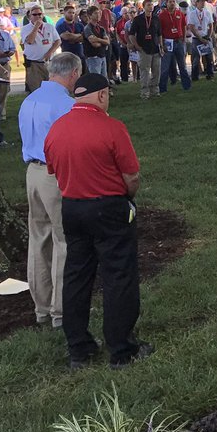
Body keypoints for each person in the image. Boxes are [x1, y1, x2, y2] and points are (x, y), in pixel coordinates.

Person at [45, 73, 151, 370]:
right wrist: (127, 197)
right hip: (108, 207)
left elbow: (54, 170)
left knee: (77, 275)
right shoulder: (112, 128)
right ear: (102, 95)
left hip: (72, 207)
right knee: (118, 275)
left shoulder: (56, 129)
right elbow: (131, 176)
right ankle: (121, 348)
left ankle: (79, 348)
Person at [17, 51, 81, 330]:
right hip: (55, 173)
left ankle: (41, 307)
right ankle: (62, 310)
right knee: (64, 240)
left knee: (39, 238)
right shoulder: (66, 105)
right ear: (74, 74)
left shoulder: (29, 100)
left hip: (32, 172)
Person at [20, 4, 60, 93]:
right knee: (36, 90)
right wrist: (36, 27)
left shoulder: (49, 26)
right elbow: (30, 41)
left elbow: (58, 41)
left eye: (40, 14)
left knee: (51, 90)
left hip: (49, 63)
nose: (38, 16)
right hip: (34, 64)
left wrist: (50, 52)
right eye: (35, 15)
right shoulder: (26, 29)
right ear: (29, 16)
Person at [157, 0, 191, 94]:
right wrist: (162, 43)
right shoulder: (162, 15)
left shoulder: (179, 13)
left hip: (179, 41)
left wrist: (183, 39)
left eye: (173, 1)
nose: (172, 3)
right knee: (165, 67)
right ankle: (162, 88)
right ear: (166, 3)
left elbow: (183, 26)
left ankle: (187, 86)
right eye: (170, 1)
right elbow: (160, 31)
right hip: (168, 42)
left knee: (182, 66)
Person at [129, 0, 162, 100]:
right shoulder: (138, 19)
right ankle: (145, 93)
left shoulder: (156, 18)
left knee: (156, 71)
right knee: (145, 71)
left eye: (152, 5)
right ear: (143, 7)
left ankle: (155, 91)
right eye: (148, 5)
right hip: (144, 49)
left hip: (155, 48)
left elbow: (159, 34)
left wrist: (161, 46)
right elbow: (131, 34)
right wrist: (137, 46)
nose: (151, 7)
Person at [186, 0, 216, 81]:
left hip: (206, 37)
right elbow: (191, 27)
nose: (203, 3)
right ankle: (195, 76)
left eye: (204, 1)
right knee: (196, 59)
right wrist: (200, 38)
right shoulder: (192, 14)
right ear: (196, 3)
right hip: (196, 38)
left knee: (209, 58)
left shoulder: (207, 12)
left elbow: (211, 25)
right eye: (201, 1)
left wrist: (208, 36)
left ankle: (210, 74)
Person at [81, 5, 111, 76]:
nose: (98, 15)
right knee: (95, 78)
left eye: (99, 13)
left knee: (104, 78)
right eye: (95, 13)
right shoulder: (87, 28)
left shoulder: (101, 28)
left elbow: (108, 42)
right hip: (93, 57)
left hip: (102, 55)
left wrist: (98, 39)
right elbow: (94, 43)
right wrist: (103, 42)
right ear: (90, 16)